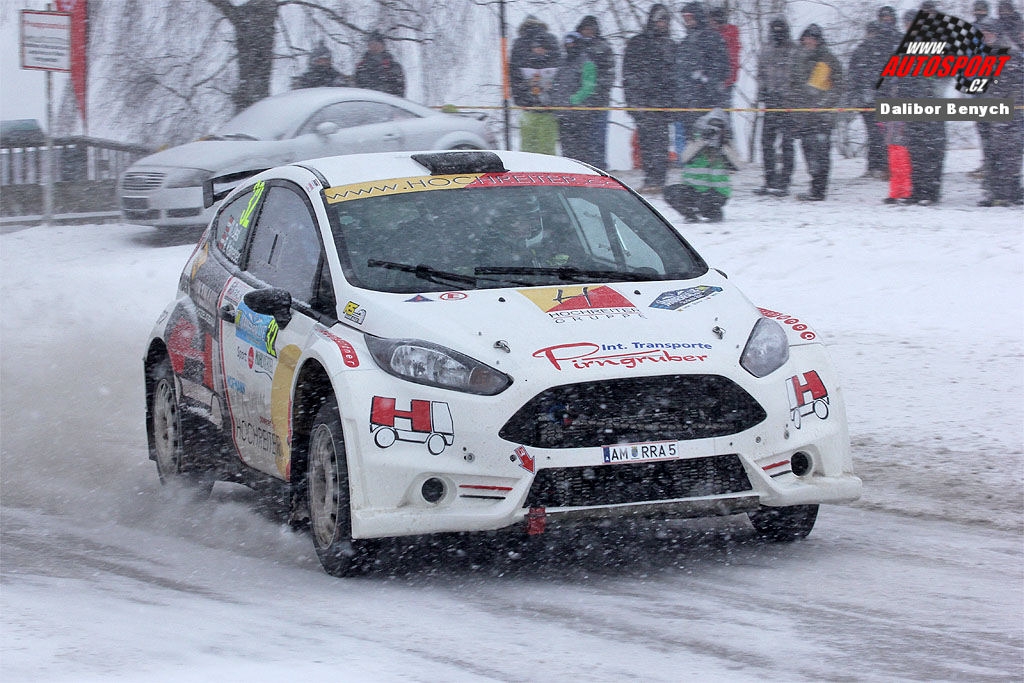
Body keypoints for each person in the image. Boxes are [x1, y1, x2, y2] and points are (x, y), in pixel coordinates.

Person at [623, 4, 677, 193]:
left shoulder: (671, 45)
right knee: (646, 143)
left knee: (661, 144)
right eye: (659, 20)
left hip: (663, 104)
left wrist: (673, 101)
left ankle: (659, 181)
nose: (662, 24)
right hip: (643, 103)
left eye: (665, 20)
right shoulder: (638, 43)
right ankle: (650, 179)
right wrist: (633, 102)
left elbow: (676, 76)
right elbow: (628, 74)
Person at [847, 7, 902, 180]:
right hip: (869, 98)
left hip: (888, 96)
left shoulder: (896, 42)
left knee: (888, 134)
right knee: (874, 133)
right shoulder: (863, 50)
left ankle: (887, 166)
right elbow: (854, 74)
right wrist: (857, 94)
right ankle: (875, 166)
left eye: (889, 18)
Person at [791, 24, 843, 201]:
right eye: (807, 38)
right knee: (807, 150)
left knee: (821, 152)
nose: (809, 41)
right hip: (803, 115)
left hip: (823, 116)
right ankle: (815, 184)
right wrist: (795, 107)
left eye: (813, 38)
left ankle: (819, 189)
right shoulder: (797, 59)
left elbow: (838, 86)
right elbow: (792, 86)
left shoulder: (829, 59)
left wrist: (823, 105)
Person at [664, 109, 741, 223]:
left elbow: (738, 165)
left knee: (705, 202)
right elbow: (684, 158)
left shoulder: (727, 144)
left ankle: (714, 213)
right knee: (670, 192)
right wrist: (703, 140)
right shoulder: (696, 140)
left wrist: (723, 145)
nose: (715, 131)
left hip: (716, 192)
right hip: (693, 189)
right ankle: (690, 215)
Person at [976, 17, 1023, 206]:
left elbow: (1017, 85)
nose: (986, 36)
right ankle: (994, 192)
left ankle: (1007, 193)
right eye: (983, 34)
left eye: (988, 33)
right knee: (991, 153)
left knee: (1008, 154)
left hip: (1008, 112)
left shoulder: (1010, 53)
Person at [755, 17, 798, 197]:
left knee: (787, 144)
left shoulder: (794, 51)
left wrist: (793, 96)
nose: (777, 33)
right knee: (766, 143)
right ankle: (770, 180)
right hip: (771, 102)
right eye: (775, 29)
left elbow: (799, 77)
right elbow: (761, 74)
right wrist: (762, 93)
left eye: (780, 29)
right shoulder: (767, 50)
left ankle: (784, 181)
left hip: (788, 104)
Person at [510, 16, 562, 156]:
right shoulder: (551, 40)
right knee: (547, 148)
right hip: (548, 108)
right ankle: (548, 168)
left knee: (527, 148)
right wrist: (552, 96)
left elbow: (513, 75)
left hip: (528, 107)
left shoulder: (518, 44)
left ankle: (529, 168)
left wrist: (523, 96)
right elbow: (560, 72)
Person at [675, 3, 731, 134]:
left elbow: (723, 67)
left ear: (698, 17)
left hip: (709, 102)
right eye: (685, 19)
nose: (687, 22)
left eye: (690, 18)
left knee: (711, 137)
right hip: (689, 103)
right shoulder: (685, 43)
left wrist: (705, 81)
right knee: (693, 139)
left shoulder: (713, 38)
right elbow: (680, 72)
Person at [551, 32, 601, 167]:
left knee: (582, 149)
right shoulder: (562, 63)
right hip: (563, 114)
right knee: (567, 150)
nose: (570, 47)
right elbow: (556, 84)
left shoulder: (587, 63)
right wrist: (555, 100)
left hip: (580, 114)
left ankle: (584, 172)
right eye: (567, 44)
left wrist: (572, 100)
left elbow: (588, 87)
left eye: (572, 44)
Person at [575, 15, 615, 169]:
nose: (588, 32)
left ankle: (599, 168)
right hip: (578, 104)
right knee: (581, 141)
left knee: (598, 140)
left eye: (591, 29)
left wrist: (594, 90)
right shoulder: (575, 47)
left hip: (599, 102)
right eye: (585, 29)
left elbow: (609, 74)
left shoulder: (604, 47)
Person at [708, 7, 741, 112]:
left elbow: (733, 60)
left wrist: (727, 80)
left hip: (723, 82)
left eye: (712, 20)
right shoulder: (710, 34)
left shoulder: (728, 35)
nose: (711, 23)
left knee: (722, 114)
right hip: (711, 82)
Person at [353, 31, 405, 97]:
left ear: (383, 46)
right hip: (365, 101)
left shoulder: (393, 67)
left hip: (386, 102)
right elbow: (356, 89)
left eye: (376, 44)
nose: (374, 47)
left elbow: (399, 91)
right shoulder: (361, 67)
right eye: (371, 44)